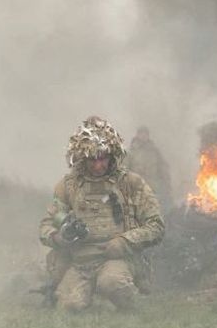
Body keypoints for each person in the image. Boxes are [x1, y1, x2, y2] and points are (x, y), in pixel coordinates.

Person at [38, 116, 165, 312]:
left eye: (103, 158)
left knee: (112, 283)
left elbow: (156, 225)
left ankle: (133, 301)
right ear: (82, 157)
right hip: (81, 262)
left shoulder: (130, 183)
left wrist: (125, 241)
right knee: (68, 306)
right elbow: (46, 224)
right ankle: (84, 292)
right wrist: (59, 237)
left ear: (112, 155)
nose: (99, 166)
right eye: (92, 160)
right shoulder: (68, 186)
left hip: (118, 258)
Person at [124, 126, 174, 211]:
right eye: (141, 133)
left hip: (153, 189)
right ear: (137, 135)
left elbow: (163, 169)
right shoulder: (131, 152)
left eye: (145, 134)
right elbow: (124, 170)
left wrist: (167, 185)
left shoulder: (154, 152)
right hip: (136, 189)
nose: (143, 136)